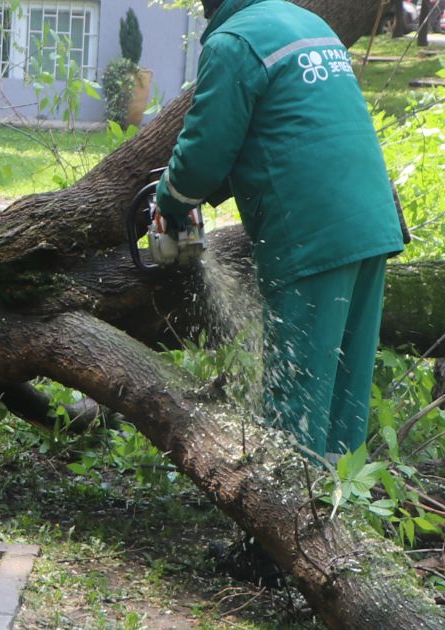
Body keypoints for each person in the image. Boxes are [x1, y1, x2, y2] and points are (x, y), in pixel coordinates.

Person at [155, 0, 405, 462]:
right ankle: (341, 516)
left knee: (298, 398)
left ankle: (284, 526)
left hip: (313, 234)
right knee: (343, 398)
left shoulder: (234, 41)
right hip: (372, 222)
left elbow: (205, 153)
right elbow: (288, 131)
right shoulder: (306, 23)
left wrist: (169, 198)